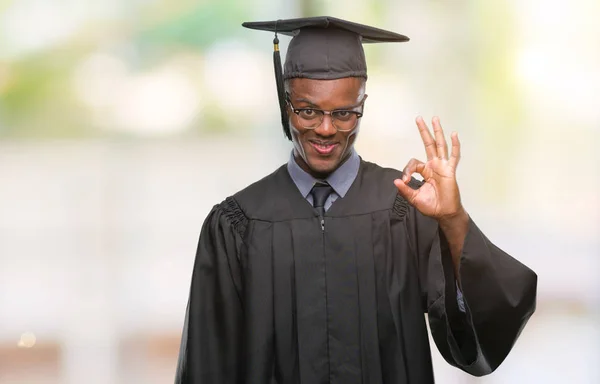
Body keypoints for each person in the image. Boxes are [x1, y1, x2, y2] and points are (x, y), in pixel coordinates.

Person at [175, 16, 537, 384]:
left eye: (344, 113)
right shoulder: (238, 224)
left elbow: (479, 331)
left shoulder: (404, 210)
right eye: (307, 110)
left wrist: (453, 219)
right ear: (286, 105)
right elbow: (207, 366)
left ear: (363, 104)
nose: (326, 129)